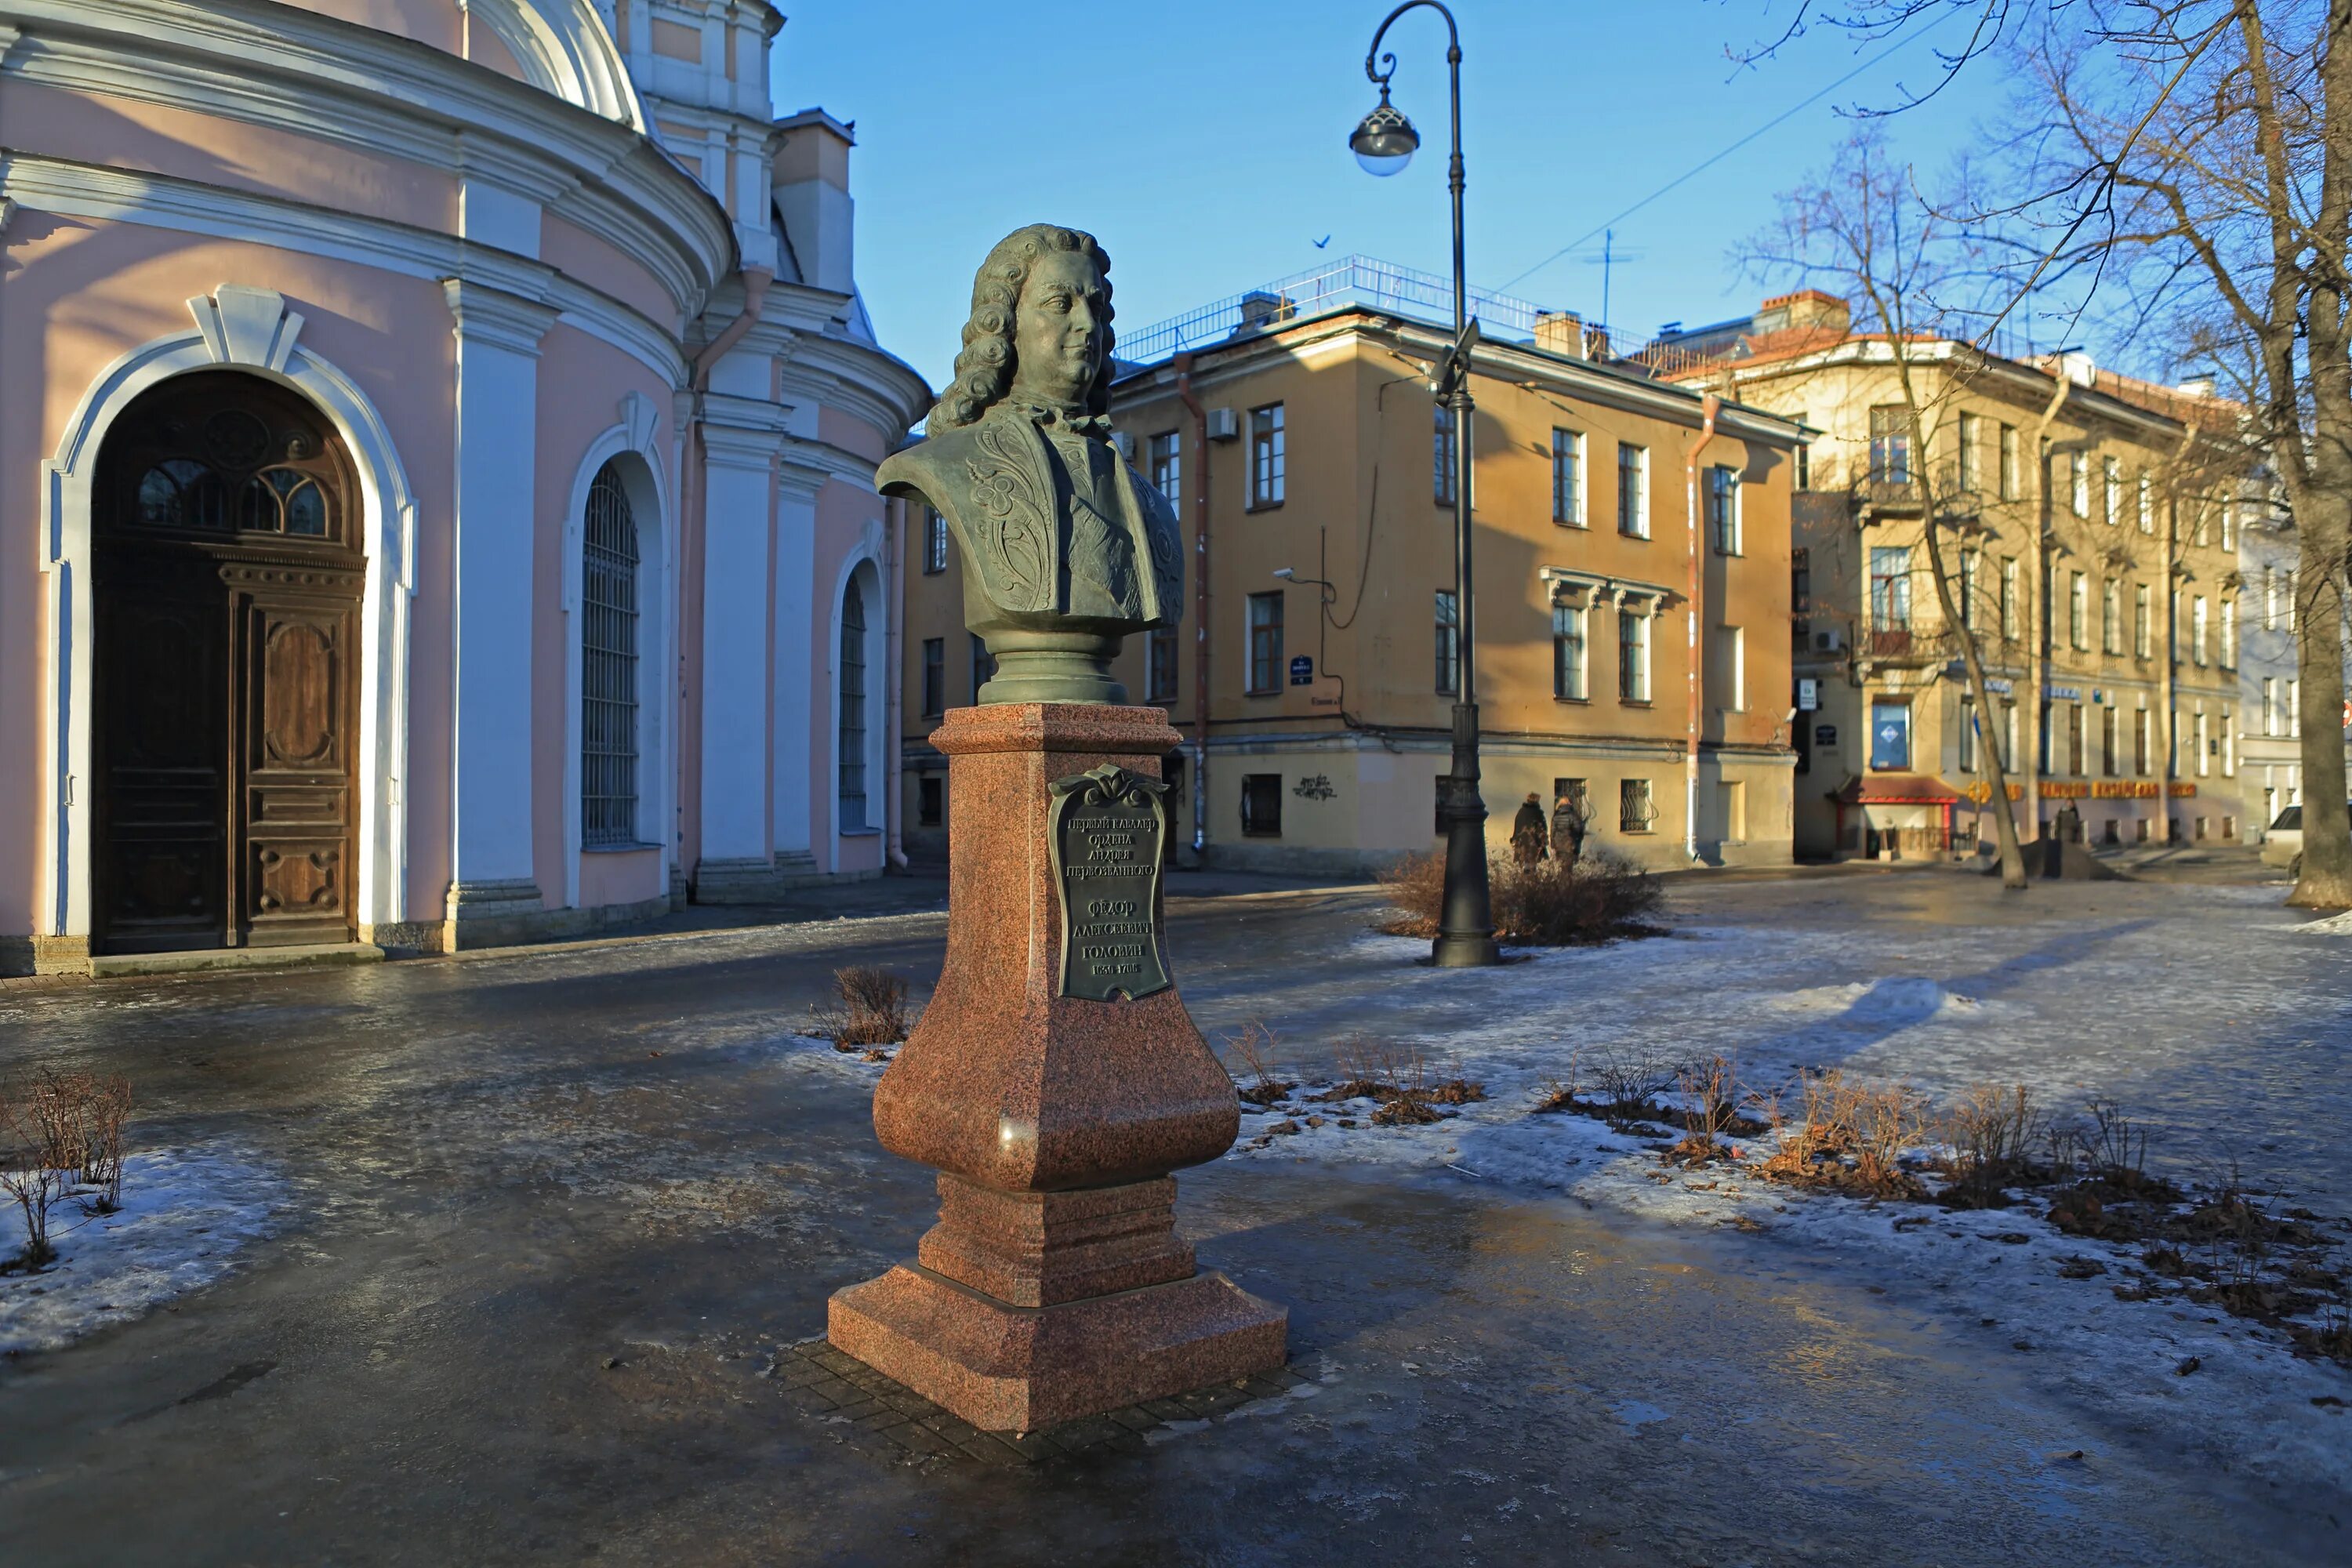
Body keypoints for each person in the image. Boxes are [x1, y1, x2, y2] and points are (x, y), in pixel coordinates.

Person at [1510, 791, 1548, 867]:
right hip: (1533, 843)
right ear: (1536, 801)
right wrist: (1543, 842)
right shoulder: (1538, 813)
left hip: (1522, 844)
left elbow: (1517, 827)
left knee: (1524, 866)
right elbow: (1543, 829)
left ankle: (1524, 878)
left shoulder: (1521, 812)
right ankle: (1531, 878)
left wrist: (1515, 839)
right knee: (1532, 867)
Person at [1551, 789, 1588, 866]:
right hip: (1570, 845)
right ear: (1569, 803)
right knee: (1569, 867)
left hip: (1559, 846)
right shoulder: (1573, 815)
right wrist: (1578, 840)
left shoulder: (1556, 815)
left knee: (1561, 866)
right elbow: (1579, 830)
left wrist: (1553, 844)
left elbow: (1553, 831)